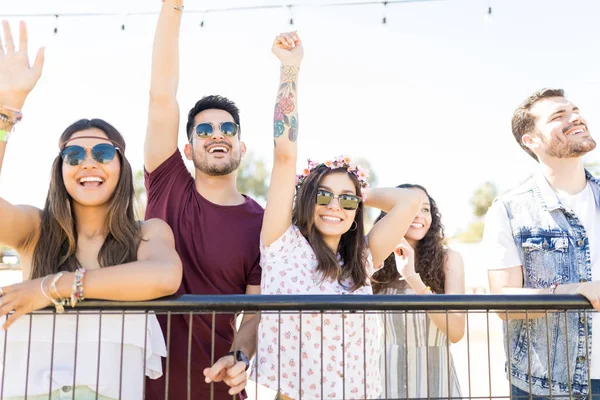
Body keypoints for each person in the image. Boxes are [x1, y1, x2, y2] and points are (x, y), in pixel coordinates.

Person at [0, 21, 182, 399]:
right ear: (60, 168)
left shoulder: (147, 232)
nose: (88, 163)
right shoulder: (36, 228)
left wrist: (53, 287)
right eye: (73, 155)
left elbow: (165, 275)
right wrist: (7, 109)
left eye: (102, 153)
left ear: (121, 166)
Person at [252, 31, 422, 400]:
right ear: (307, 198)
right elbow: (284, 153)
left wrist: (359, 193)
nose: (334, 207)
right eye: (324, 195)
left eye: (346, 202)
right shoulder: (282, 245)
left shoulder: (362, 257)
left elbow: (410, 201)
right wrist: (290, 69)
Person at [143, 1, 264, 398]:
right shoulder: (168, 183)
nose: (217, 133)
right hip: (142, 382)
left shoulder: (261, 221)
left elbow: (256, 310)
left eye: (228, 128)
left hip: (218, 387)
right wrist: (173, 8)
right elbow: (162, 97)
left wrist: (242, 356)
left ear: (241, 146)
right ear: (188, 147)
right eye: (205, 128)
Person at [483, 88, 600, 398]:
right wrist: (575, 290)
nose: (575, 117)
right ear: (531, 140)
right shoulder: (507, 210)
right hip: (546, 387)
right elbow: (503, 303)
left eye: (575, 110)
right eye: (558, 116)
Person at [372, 183, 465, 399]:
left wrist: (413, 278)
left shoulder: (449, 260)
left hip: (436, 382)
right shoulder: (373, 257)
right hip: (384, 380)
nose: (420, 215)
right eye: (411, 208)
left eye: (425, 209)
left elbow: (456, 331)